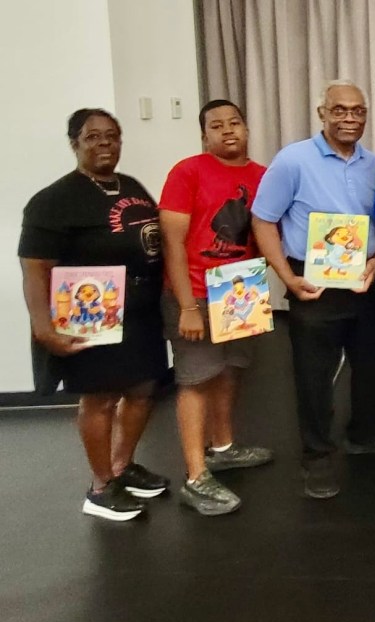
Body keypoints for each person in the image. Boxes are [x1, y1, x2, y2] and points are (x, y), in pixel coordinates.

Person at [251, 80, 375, 499]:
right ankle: (317, 456)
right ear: (322, 113)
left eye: (357, 111)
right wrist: (285, 276)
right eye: (340, 110)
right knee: (314, 374)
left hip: (366, 280)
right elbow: (263, 220)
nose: (349, 118)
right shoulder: (292, 161)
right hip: (313, 282)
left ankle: (366, 434)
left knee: (373, 364)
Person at [19, 108, 169, 521]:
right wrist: (42, 326)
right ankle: (100, 487)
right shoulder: (53, 201)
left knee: (142, 391)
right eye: (93, 137)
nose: (105, 143)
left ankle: (122, 466)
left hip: (142, 313)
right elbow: (35, 270)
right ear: (75, 144)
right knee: (101, 399)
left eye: (112, 136)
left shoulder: (132, 186)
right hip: (93, 314)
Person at [159, 99, 273, 516]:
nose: (228, 131)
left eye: (235, 122)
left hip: (241, 292)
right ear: (204, 135)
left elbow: (269, 231)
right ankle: (195, 475)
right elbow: (172, 240)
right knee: (196, 378)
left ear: (246, 128)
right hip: (195, 293)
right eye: (216, 125)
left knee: (229, 370)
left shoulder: (263, 175)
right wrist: (187, 305)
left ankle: (223, 448)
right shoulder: (187, 171)